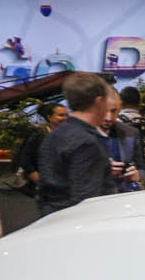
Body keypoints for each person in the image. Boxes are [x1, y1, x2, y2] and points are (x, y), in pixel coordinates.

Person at [37, 73, 122, 215]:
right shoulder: (86, 143)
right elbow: (85, 202)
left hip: (52, 219)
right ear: (99, 101)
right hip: (77, 225)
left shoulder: (54, 136)